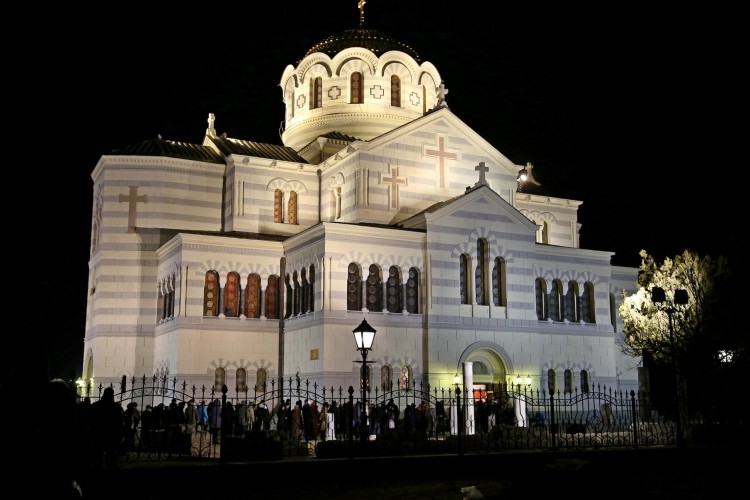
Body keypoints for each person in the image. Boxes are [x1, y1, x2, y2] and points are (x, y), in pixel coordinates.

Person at [89, 387, 125, 469]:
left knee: (98, 458)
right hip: (111, 435)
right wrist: (120, 435)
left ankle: (97, 475)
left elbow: (90, 420)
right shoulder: (116, 407)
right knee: (110, 459)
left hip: (99, 435)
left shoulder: (96, 405)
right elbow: (119, 423)